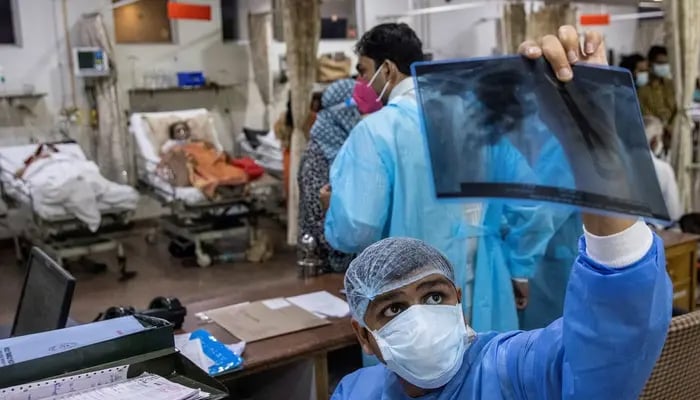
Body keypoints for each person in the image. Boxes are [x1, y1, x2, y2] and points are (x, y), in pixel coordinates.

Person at [323, 22, 553, 332]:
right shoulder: (482, 123)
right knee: (489, 374)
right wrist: (520, 271)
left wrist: (333, 208)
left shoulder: (377, 132)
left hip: (412, 296)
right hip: (488, 283)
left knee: (423, 377)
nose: (362, 82)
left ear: (388, 69)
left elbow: (358, 228)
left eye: (364, 71)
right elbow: (531, 203)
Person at [298, 79, 363, 272]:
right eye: (356, 107)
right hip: (324, 256)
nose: (359, 115)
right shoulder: (317, 153)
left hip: (351, 247)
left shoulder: (352, 145)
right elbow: (316, 212)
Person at [645, 115, 682, 222]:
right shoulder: (664, 170)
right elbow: (673, 212)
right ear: (654, 140)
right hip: (656, 229)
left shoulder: (621, 164)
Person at [638, 46, 676, 135]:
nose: (664, 66)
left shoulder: (672, 86)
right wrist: (664, 127)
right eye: (660, 63)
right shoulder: (643, 89)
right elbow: (646, 115)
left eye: (666, 63)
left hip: (674, 132)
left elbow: (678, 109)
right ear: (650, 64)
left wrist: (673, 126)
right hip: (653, 133)